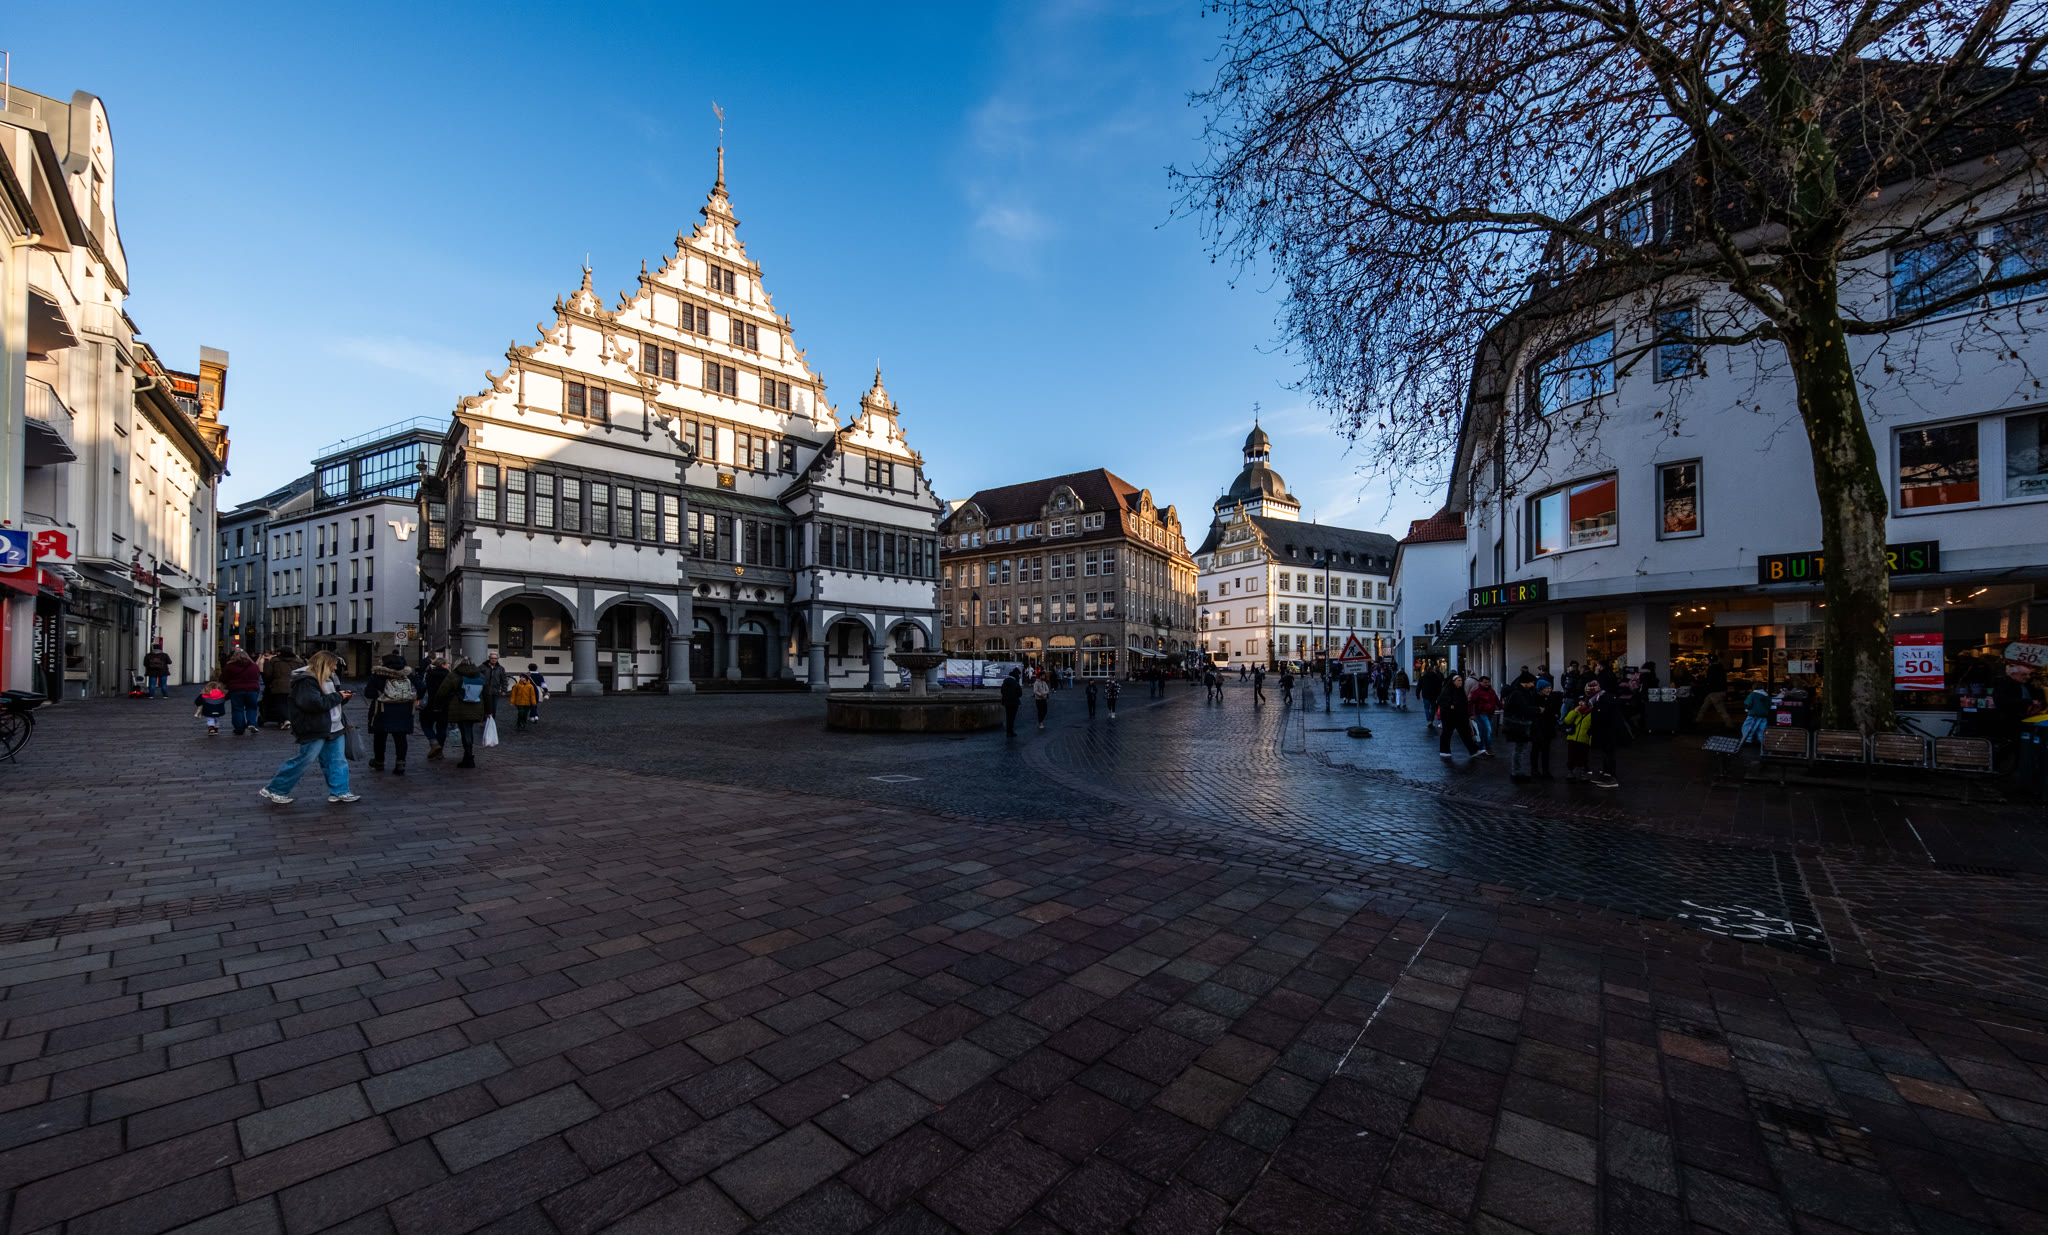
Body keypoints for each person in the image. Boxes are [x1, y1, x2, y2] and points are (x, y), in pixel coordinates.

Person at [260, 651, 357, 804]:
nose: (335, 668)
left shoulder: (329, 679)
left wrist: (342, 697)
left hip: (334, 725)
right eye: (333, 664)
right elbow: (313, 703)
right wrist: (339, 696)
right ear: (324, 664)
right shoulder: (306, 681)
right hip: (314, 726)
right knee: (304, 760)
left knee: (337, 760)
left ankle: (340, 791)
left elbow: (327, 702)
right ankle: (276, 789)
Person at [432, 657, 491, 768]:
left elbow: (442, 692)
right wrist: (488, 710)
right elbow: (487, 694)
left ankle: (468, 757)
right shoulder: (480, 675)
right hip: (476, 707)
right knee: (469, 729)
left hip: (459, 707)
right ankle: (468, 755)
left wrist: (437, 706)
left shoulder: (453, 675)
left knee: (465, 730)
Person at [365, 653, 417, 774]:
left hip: (383, 710)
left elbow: (368, 693)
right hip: (404, 710)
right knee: (401, 737)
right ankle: (400, 762)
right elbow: (420, 686)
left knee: (380, 736)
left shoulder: (378, 675)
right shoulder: (407, 674)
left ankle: (379, 761)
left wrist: (380, 694)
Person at [1991, 660, 2046, 743]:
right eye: (2024, 674)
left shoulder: (2024, 684)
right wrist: (2029, 702)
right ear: (2013, 674)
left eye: (2029, 674)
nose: (2028, 677)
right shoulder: (2004, 684)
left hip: (2024, 719)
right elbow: (2003, 701)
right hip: (2011, 721)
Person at [1502, 671, 1542, 780]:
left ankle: (1517, 772)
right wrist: (1537, 709)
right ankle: (1517, 772)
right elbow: (1524, 708)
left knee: (1520, 748)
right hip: (1519, 724)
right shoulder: (1519, 693)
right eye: (1532, 682)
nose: (1533, 685)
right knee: (1520, 748)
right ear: (1526, 682)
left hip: (1517, 722)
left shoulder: (1516, 691)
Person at [1584, 679, 1623, 786]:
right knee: (1607, 754)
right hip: (1608, 731)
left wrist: (1592, 730)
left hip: (1607, 732)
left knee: (1609, 755)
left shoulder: (1601, 701)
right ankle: (1607, 775)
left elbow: (1601, 718)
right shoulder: (1604, 698)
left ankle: (1611, 778)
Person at [1437, 672, 1481, 759]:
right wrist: (1451, 705)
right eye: (1459, 680)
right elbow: (1444, 702)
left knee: (1465, 733)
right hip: (1450, 717)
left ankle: (1473, 750)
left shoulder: (1460, 691)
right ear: (1453, 682)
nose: (1461, 682)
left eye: (1461, 680)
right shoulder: (1447, 690)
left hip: (1460, 716)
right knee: (1447, 733)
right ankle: (1444, 751)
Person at [220, 649, 264, 736]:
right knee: (252, 707)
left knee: (237, 709)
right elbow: (257, 677)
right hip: (252, 689)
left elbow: (223, 678)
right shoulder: (254, 666)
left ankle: (239, 728)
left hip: (236, 690)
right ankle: (252, 723)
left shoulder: (230, 666)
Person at [419, 654, 452, 759]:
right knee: (442, 727)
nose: (448, 665)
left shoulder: (428, 674)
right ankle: (439, 749)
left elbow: (422, 687)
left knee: (426, 725)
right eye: (447, 664)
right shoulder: (449, 675)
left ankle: (434, 743)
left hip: (429, 703)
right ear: (442, 664)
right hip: (444, 704)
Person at [1563, 688, 1596, 781]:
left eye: (1583, 702)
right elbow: (1567, 720)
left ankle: (1582, 772)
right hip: (1573, 738)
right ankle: (1571, 772)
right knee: (1571, 756)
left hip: (1584, 739)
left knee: (1583, 757)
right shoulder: (1576, 712)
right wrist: (1574, 712)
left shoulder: (1591, 714)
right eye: (1580, 701)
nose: (1581, 703)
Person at [262, 648, 300, 728]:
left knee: (280, 703)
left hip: (279, 685)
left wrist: (268, 683)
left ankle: (285, 719)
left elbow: (268, 674)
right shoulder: (298, 661)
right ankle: (290, 719)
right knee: (292, 703)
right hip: (294, 685)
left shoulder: (274, 661)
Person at [1530, 678, 1559, 779]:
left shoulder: (1551, 698)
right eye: (1546, 688)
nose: (1549, 690)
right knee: (1536, 749)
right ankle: (1535, 770)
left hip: (1548, 727)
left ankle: (1545, 770)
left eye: (1550, 688)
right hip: (1538, 727)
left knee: (1546, 750)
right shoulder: (1534, 697)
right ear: (1541, 688)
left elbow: (1553, 709)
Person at [1695, 654, 1733, 728]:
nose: (1705, 661)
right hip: (1718, 691)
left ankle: (1730, 725)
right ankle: (1697, 720)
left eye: (1706, 659)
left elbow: (1709, 680)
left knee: (1721, 710)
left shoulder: (1712, 668)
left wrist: (1699, 677)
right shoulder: (1720, 667)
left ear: (1711, 660)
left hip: (1715, 692)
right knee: (1704, 707)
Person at [1469, 675, 1501, 752]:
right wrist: (1471, 714)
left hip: (1490, 713)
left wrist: (1504, 707)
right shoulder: (1476, 692)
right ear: (1480, 682)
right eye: (1485, 682)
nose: (1487, 684)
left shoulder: (1491, 691)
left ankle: (1481, 746)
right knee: (1488, 729)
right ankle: (1487, 747)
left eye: (1488, 682)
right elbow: (1471, 703)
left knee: (1483, 730)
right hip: (1481, 713)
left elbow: (1497, 700)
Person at [481, 651, 510, 722]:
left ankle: (491, 721)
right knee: (485, 706)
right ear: (489, 658)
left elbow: (504, 680)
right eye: (492, 658)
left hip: (495, 690)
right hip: (484, 690)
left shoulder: (500, 669)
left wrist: (504, 690)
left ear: (497, 659)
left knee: (494, 706)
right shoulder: (482, 667)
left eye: (495, 658)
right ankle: (484, 720)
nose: (493, 660)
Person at [1001, 669, 1023, 736]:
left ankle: (1008, 731)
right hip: (1014, 702)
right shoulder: (1015, 683)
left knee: (1008, 716)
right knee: (1012, 717)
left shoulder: (1005, 682)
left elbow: (1002, 691)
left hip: (1006, 702)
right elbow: (1020, 694)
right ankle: (1011, 730)